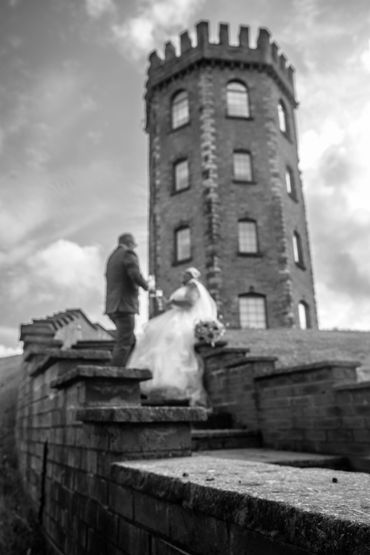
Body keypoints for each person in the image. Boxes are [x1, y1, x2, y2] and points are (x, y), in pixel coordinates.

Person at [127, 267, 218, 406]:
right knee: (156, 338)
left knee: (171, 343)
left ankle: (174, 385)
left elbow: (190, 302)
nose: (182, 276)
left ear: (191, 275)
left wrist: (172, 302)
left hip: (183, 320)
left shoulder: (193, 286)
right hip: (175, 317)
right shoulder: (187, 286)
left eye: (185, 274)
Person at [105, 233, 149, 366]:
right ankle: (114, 375)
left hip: (112, 306)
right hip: (124, 305)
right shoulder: (128, 253)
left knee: (131, 341)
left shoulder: (112, 257)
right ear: (130, 243)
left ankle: (129, 368)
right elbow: (134, 274)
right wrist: (147, 287)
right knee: (124, 343)